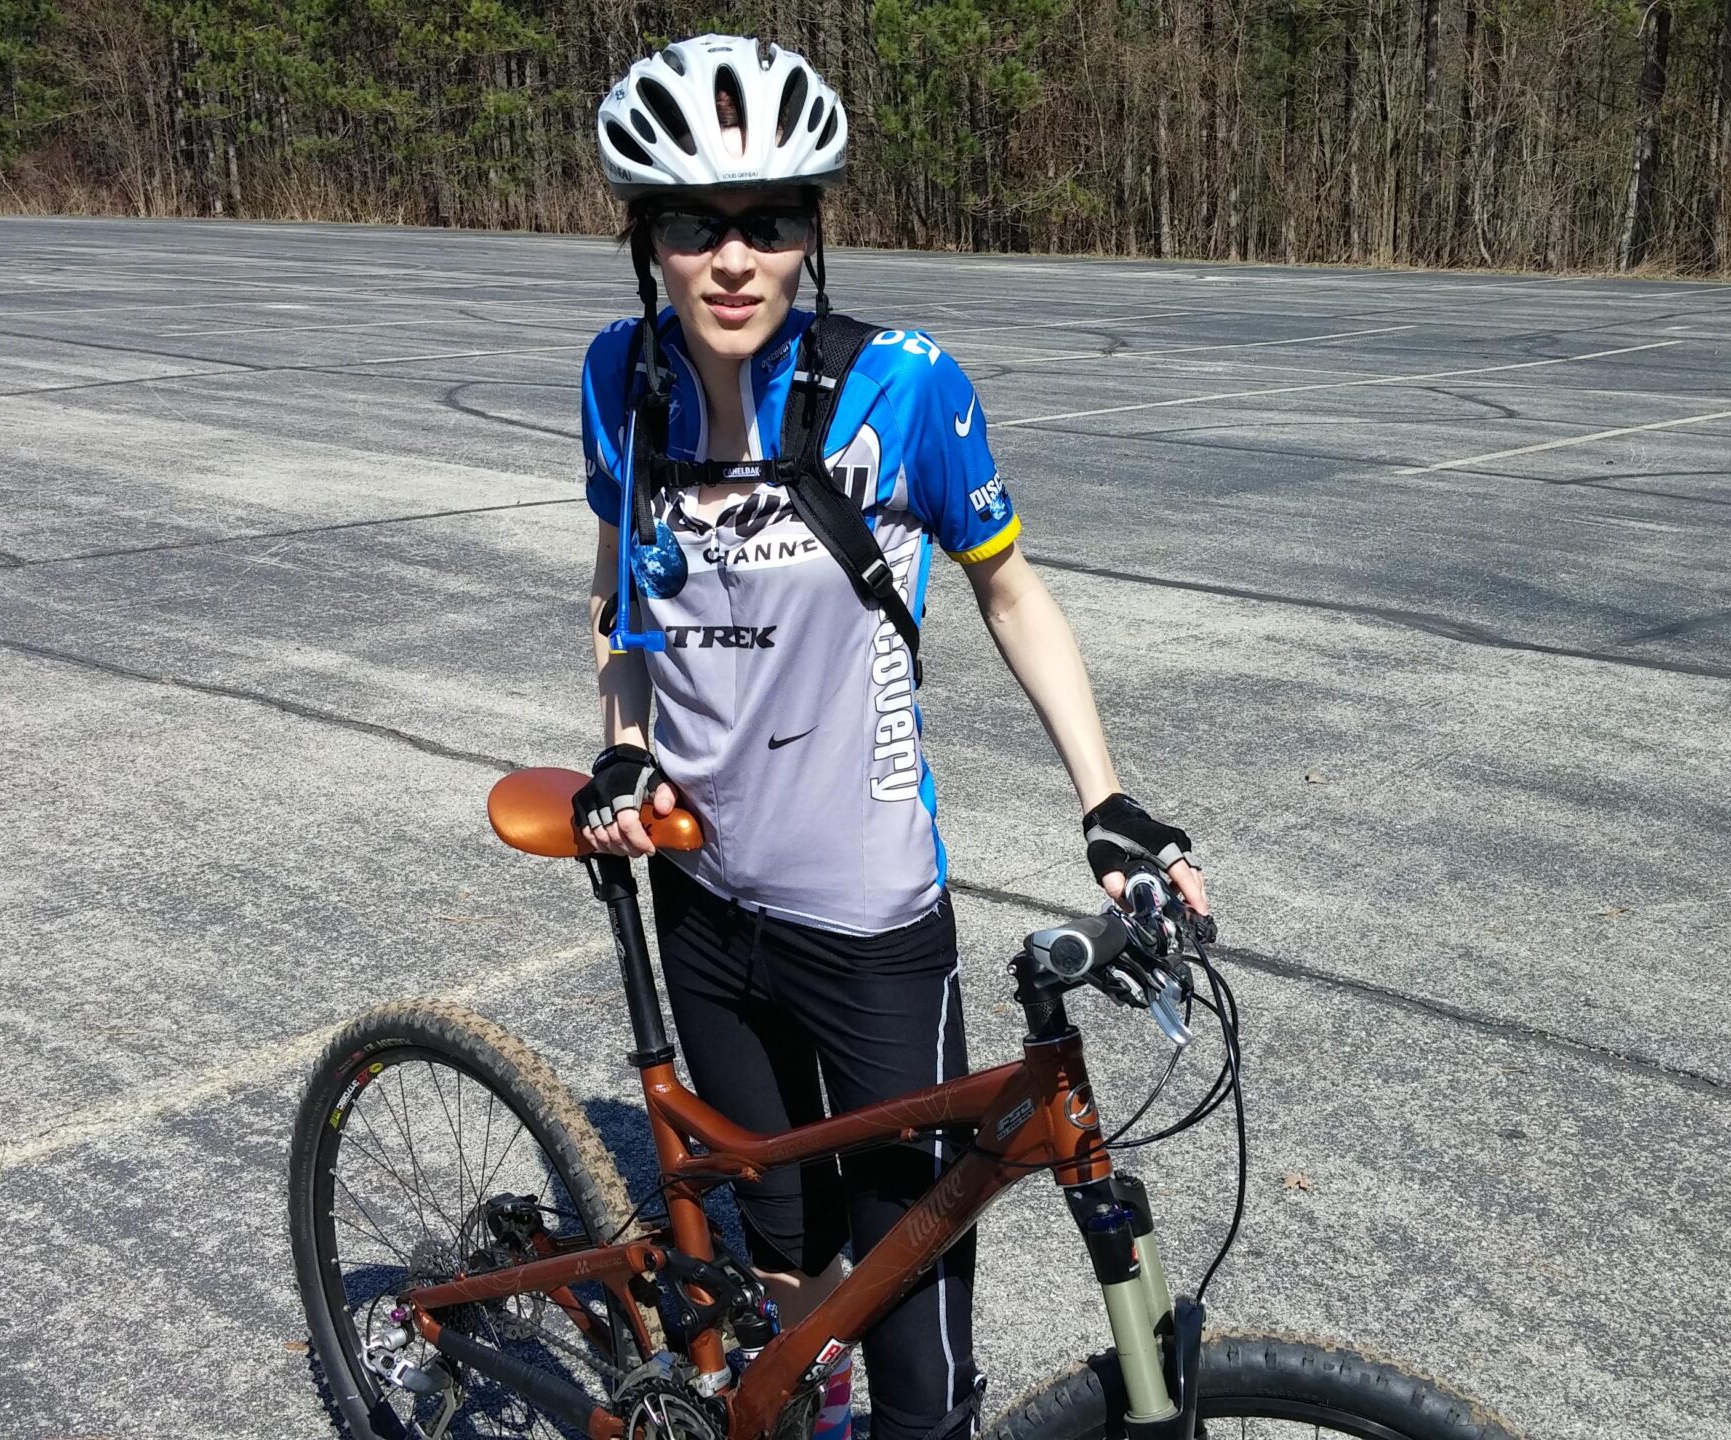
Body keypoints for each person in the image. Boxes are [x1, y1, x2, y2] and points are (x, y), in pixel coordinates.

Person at [570, 34, 1209, 1440]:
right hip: (701, 896)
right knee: (782, 1250)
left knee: (918, 1313)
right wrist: (619, 744)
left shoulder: (906, 386)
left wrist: (1106, 804)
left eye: (769, 223)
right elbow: (623, 608)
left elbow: (1009, 591)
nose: (731, 260)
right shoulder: (622, 381)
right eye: (693, 225)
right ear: (647, 241)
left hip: (866, 919)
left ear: (811, 234)